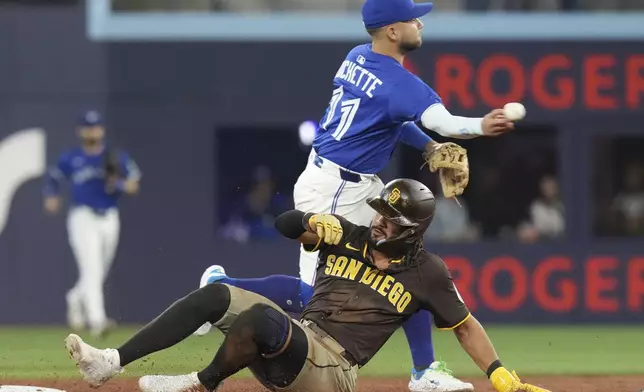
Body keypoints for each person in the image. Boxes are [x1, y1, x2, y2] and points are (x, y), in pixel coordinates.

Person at [195, 0, 516, 390]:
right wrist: (482, 125)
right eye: (412, 18)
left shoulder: (358, 55)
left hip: (356, 181)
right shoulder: (400, 83)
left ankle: (424, 371)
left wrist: (430, 149)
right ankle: (222, 284)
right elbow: (444, 122)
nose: (419, 22)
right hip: (334, 189)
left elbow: (391, 119)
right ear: (393, 32)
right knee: (315, 293)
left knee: (405, 259)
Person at [63, 178, 550, 392]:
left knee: (259, 318)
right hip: (297, 340)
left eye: (392, 220)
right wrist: (314, 221)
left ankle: (199, 385)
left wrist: (500, 375)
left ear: (415, 230)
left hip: (333, 369)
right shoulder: (353, 235)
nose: (380, 224)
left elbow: (464, 326)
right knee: (217, 296)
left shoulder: (428, 273)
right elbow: (284, 223)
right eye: (380, 213)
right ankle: (109, 364)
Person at [44, 110, 142, 338]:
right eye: (88, 127)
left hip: (109, 217)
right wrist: (51, 195)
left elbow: (134, 185)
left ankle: (76, 297)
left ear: (102, 129)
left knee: (99, 271)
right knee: (92, 268)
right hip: (82, 217)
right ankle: (97, 321)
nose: (92, 131)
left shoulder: (115, 156)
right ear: (80, 131)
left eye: (95, 126)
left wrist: (116, 182)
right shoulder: (71, 158)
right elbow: (54, 177)